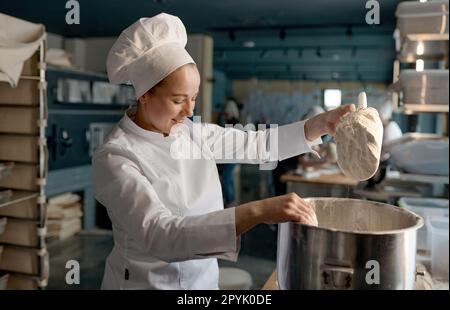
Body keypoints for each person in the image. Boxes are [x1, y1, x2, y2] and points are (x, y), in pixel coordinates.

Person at [92, 13, 354, 289]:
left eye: (193, 98)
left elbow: (259, 144)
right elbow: (160, 235)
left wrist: (321, 124)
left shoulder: (192, 133)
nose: (190, 110)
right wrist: (260, 210)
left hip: (202, 282)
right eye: (178, 100)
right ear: (144, 94)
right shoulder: (116, 156)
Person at [217, 97, 241, 207]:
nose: (224, 115)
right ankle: (231, 200)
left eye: (226, 113)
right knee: (228, 178)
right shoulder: (232, 122)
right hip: (230, 155)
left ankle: (230, 201)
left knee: (226, 178)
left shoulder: (233, 123)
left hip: (231, 155)